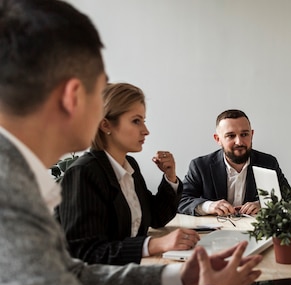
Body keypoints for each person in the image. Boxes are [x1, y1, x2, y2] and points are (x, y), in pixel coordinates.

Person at [0, 1, 262, 285]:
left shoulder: (18, 178)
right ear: (74, 96)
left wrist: (180, 280)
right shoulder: (9, 198)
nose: (145, 128)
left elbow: (72, 273)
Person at [57, 83, 200, 265]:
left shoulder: (128, 165)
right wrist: (154, 244)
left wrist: (170, 177)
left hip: (128, 271)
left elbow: (155, 217)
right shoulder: (83, 173)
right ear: (105, 124)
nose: (146, 131)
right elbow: (86, 252)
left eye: (143, 121)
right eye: (136, 121)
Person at [178, 109, 290, 216]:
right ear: (218, 139)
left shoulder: (268, 163)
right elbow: (180, 200)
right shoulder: (200, 166)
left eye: (244, 134)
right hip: (214, 234)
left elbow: (289, 198)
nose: (239, 142)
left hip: (254, 232)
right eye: (231, 136)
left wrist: (264, 205)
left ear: (252, 135)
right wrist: (209, 206)